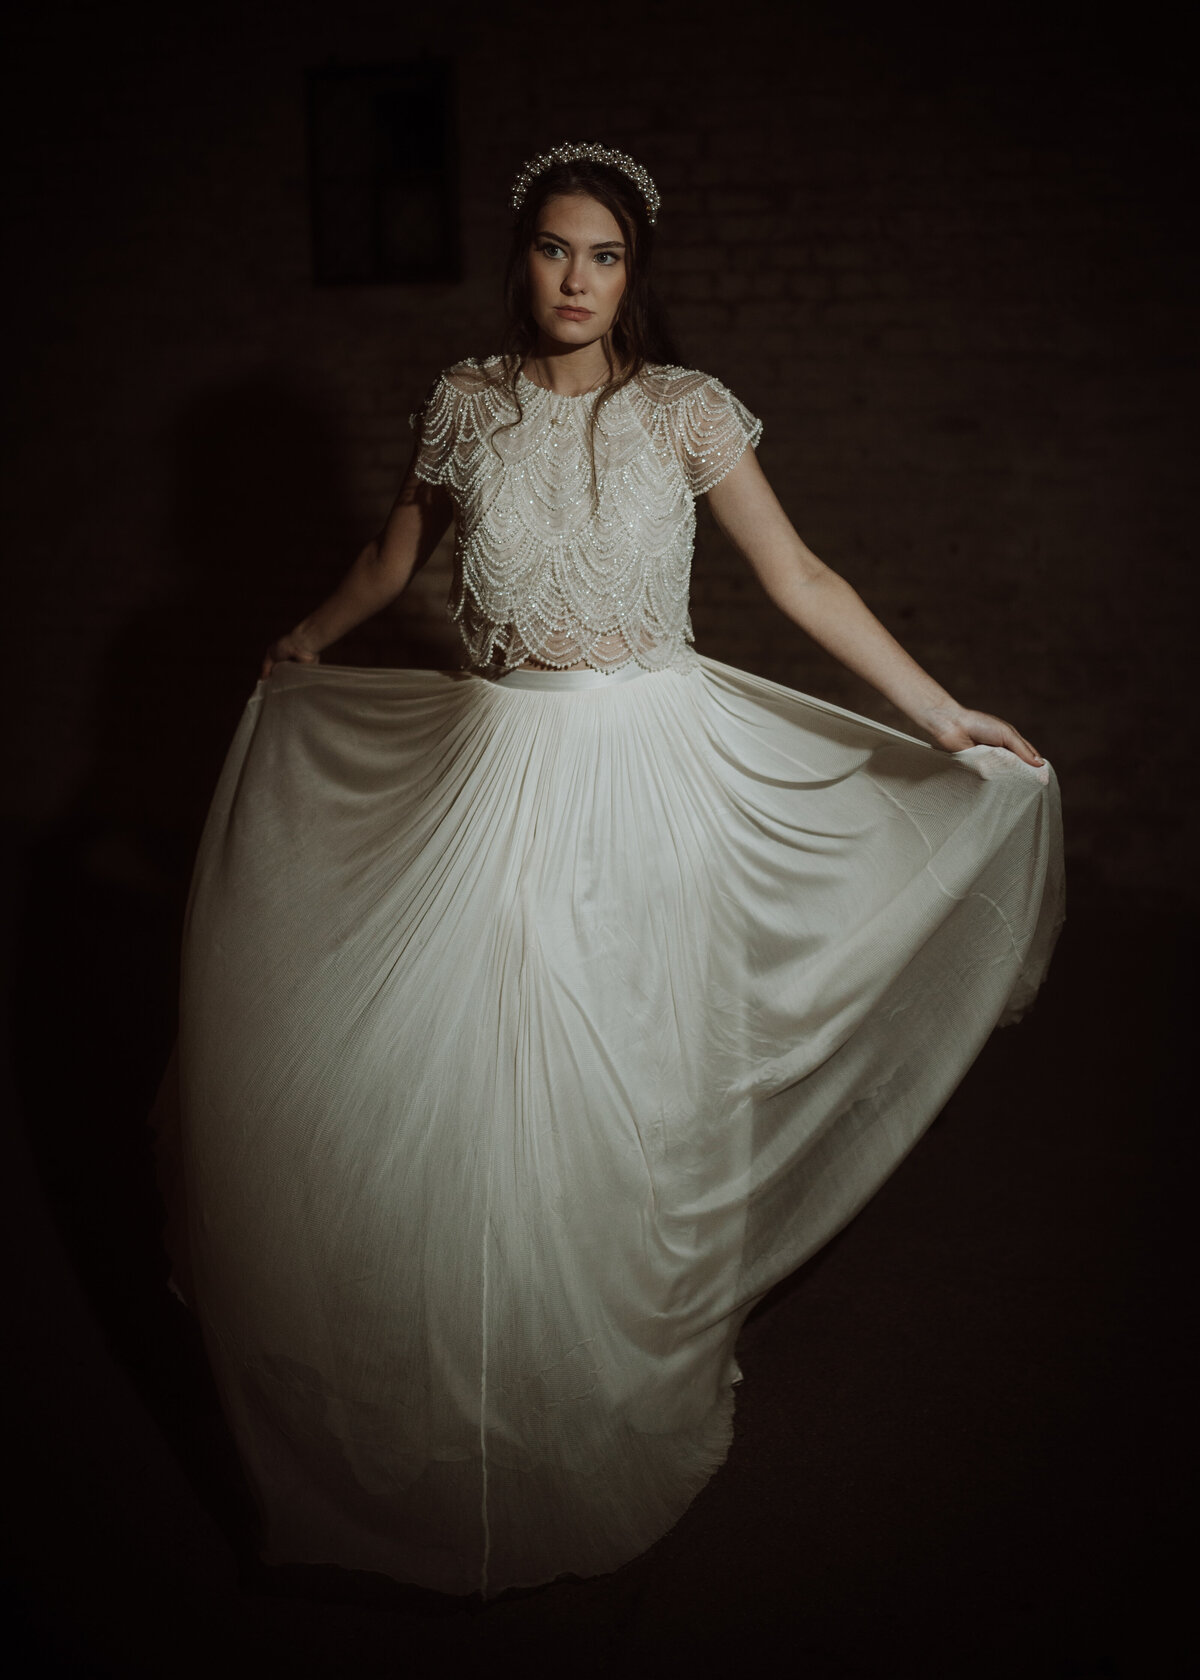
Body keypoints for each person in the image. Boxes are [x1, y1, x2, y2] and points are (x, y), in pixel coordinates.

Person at [153, 141, 1064, 1601]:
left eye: (608, 256)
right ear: (521, 258)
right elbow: (394, 560)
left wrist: (940, 709)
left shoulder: (687, 414)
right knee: (488, 1077)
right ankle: (488, 1389)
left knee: (634, 1072)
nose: (578, 279)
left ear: (636, 275)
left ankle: (610, 1374)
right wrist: (311, 639)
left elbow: (802, 577)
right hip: (503, 768)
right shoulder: (466, 403)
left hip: (652, 765)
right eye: (556, 250)